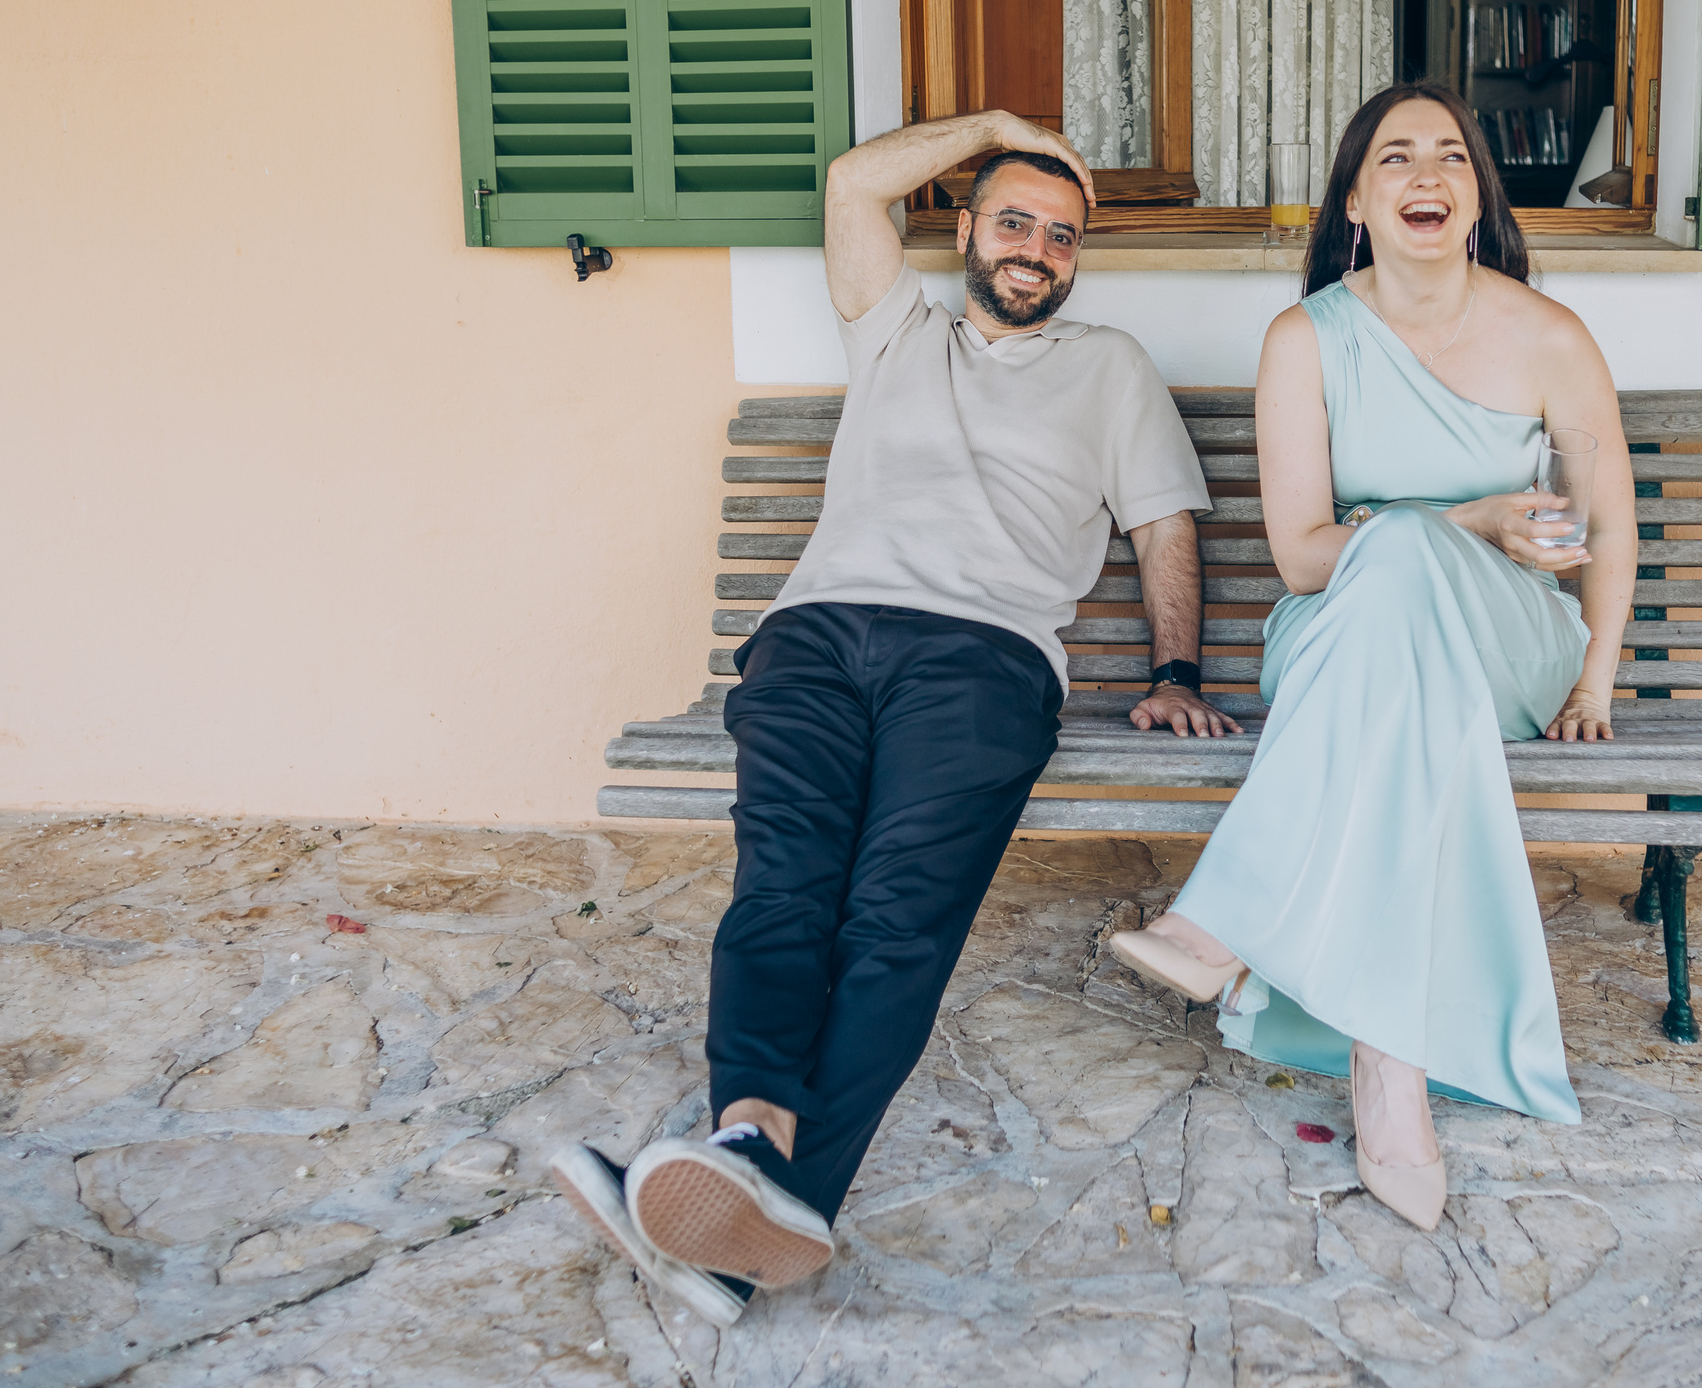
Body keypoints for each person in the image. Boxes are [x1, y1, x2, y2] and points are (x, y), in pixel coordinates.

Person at [552, 110, 1240, 1325]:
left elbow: (1162, 527)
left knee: (894, 920)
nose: (1037, 248)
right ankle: (749, 1149)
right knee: (783, 890)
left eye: (1062, 236)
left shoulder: (1109, 368)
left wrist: (1175, 667)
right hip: (817, 636)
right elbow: (853, 182)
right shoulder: (894, 330)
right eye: (1015, 220)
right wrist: (998, 127)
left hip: (982, 661)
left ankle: (750, 1203)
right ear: (965, 229)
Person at [1108, 81, 1633, 1231]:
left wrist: (1593, 678)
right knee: (1390, 571)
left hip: (1509, 637)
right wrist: (1460, 520)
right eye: (1395, 158)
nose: (1427, 174)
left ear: (1478, 195)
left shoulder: (1549, 334)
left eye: (1450, 154)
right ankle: (1386, 1070)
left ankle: (1227, 925)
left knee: (1403, 565)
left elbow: (1607, 524)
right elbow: (1302, 559)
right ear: (1356, 199)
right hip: (1343, 629)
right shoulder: (1305, 339)